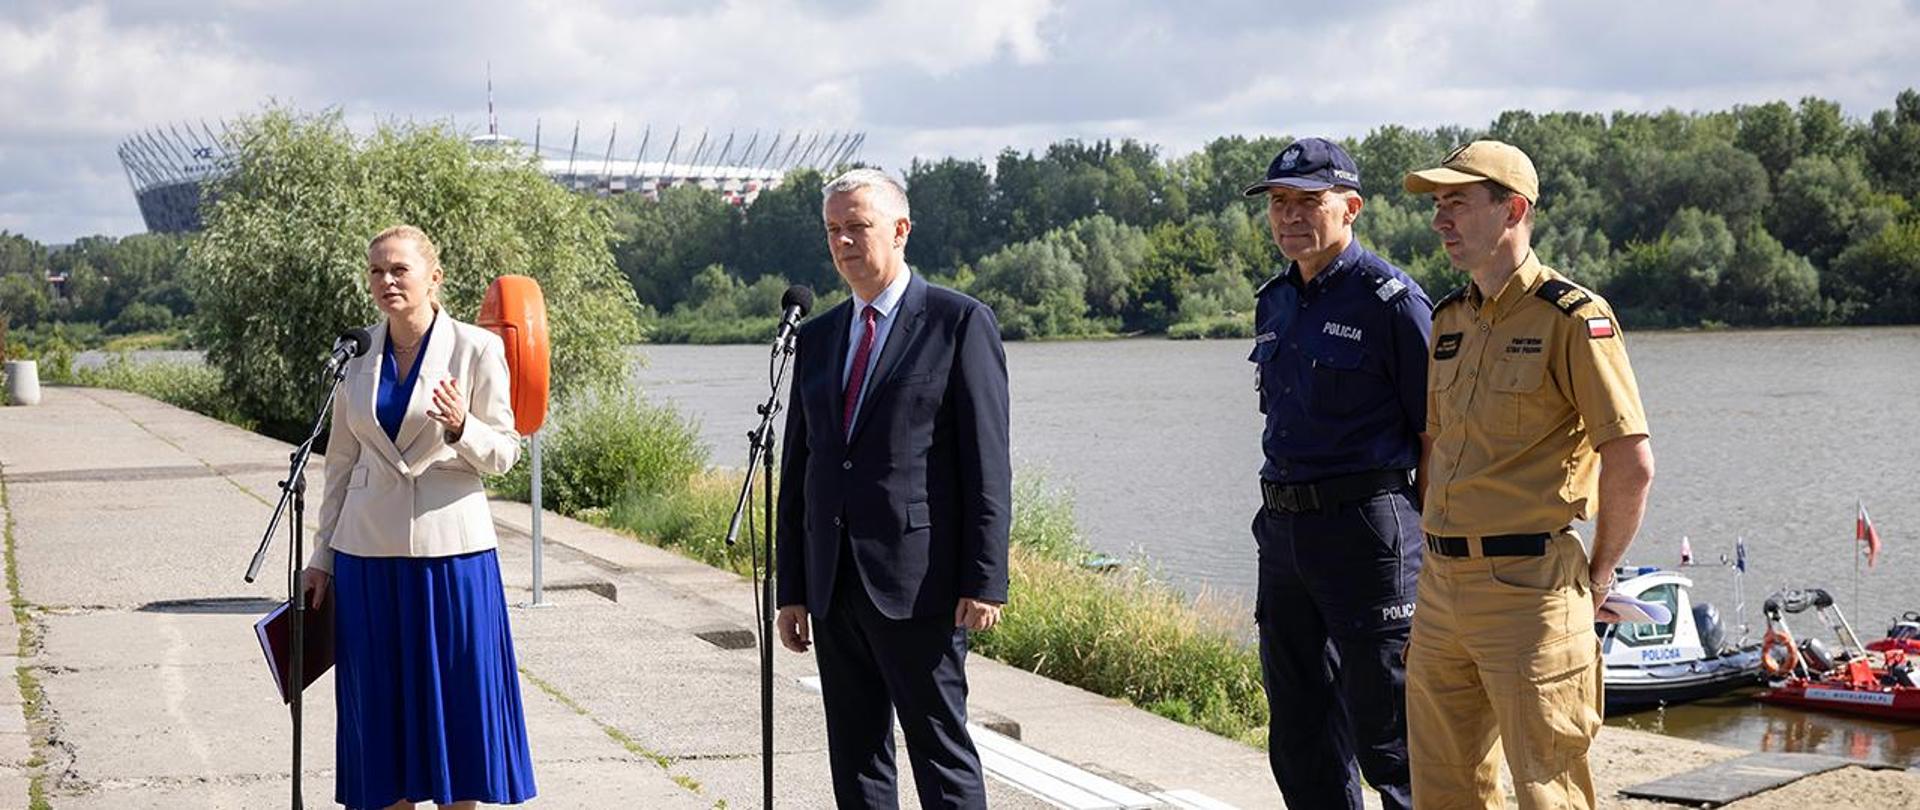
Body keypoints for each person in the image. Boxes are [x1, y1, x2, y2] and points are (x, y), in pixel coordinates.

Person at [1401, 141, 1656, 809]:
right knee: (1443, 791)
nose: (1440, 220)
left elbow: (1630, 462)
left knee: (1549, 792)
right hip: (1442, 588)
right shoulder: (1448, 321)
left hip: (1529, 593)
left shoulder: (1573, 318)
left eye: (1457, 202)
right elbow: (1436, 446)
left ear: (1512, 209)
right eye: (1437, 204)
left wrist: (1595, 579)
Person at [774, 168, 1012, 809]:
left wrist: (984, 578)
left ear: (901, 230)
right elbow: (801, 470)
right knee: (855, 759)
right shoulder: (818, 337)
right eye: (833, 230)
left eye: (858, 226)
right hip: (833, 586)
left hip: (920, 584)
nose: (844, 242)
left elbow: (987, 465)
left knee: (941, 755)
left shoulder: (958, 323)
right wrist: (791, 588)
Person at [300, 225, 535, 810]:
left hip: (451, 559)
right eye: (377, 270)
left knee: (457, 711)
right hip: (367, 559)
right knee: (381, 718)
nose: (386, 281)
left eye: (399, 270)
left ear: (434, 278)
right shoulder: (355, 357)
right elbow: (340, 466)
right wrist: (321, 558)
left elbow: (505, 453)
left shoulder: (477, 349)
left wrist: (461, 427)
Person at [1240, 137, 1430, 810]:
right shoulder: (1276, 302)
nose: (1290, 217)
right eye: (1279, 204)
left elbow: (1435, 436)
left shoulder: (1392, 303)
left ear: (1350, 207)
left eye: (1308, 202)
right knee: (1301, 736)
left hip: (1368, 535)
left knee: (1393, 738)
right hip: (1286, 535)